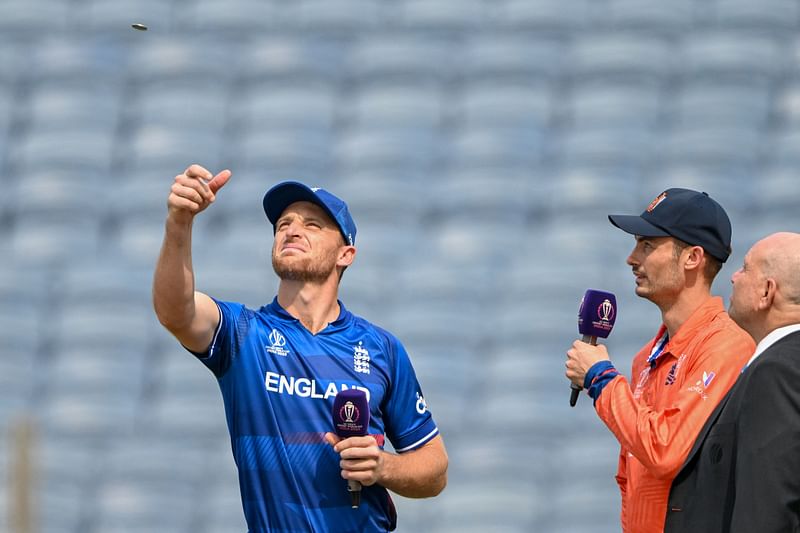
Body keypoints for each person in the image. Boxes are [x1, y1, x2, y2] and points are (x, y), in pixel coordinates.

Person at [152, 164, 448, 532]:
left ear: (346, 254)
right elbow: (174, 312)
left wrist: (383, 467)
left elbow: (434, 468)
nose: (292, 229)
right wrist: (179, 223)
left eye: (312, 224)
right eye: (283, 224)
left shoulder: (381, 348)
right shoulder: (245, 335)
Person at [564, 188, 755, 533]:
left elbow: (665, 450)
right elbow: (631, 478)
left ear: (693, 258)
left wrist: (601, 378)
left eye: (647, 245)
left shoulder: (727, 345)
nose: (632, 258)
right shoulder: (645, 359)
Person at [665, 232, 800, 533]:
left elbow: (767, 506)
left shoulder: (776, 372)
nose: (733, 278)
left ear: (767, 291)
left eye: (745, 268)